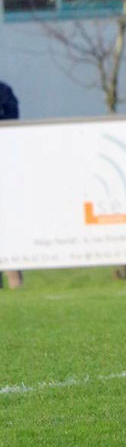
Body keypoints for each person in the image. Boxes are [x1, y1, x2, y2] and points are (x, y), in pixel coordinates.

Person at [0, 81, 23, 290]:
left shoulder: (3, 91)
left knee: (7, 228)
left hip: (4, 168)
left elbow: (12, 122)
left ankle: (15, 282)